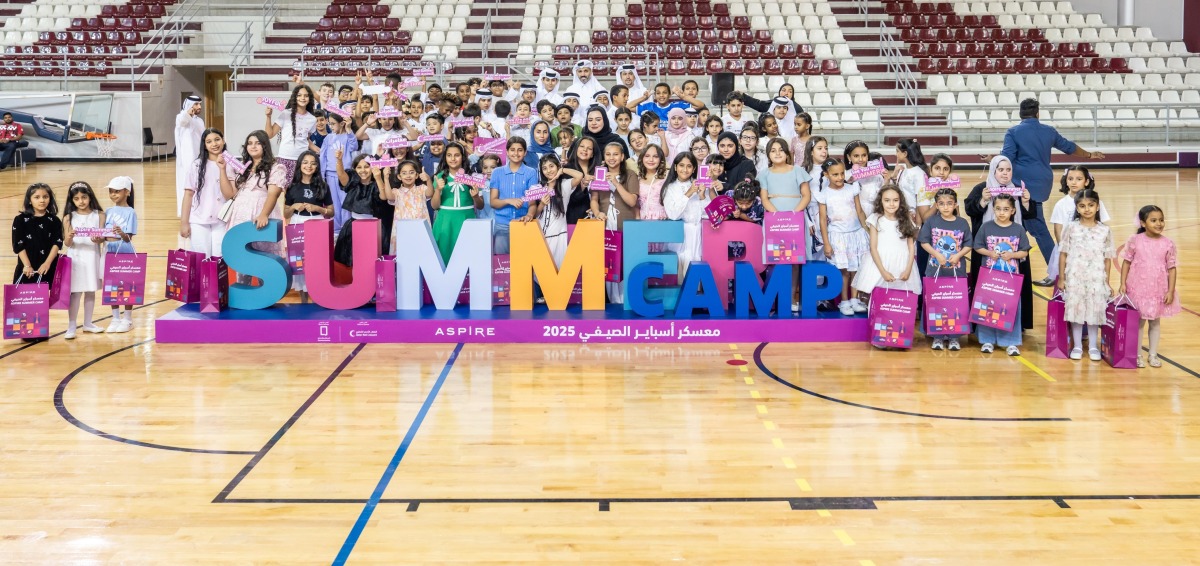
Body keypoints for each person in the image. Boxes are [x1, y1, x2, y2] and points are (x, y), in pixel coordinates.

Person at [997, 98, 1105, 284]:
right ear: (1037, 113)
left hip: (1020, 185)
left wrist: (994, 160)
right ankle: (1017, 268)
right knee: (1022, 226)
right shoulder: (1048, 131)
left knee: (1038, 230)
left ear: (1020, 114)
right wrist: (1089, 154)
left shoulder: (1013, 132)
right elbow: (1069, 147)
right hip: (1042, 183)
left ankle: (1055, 273)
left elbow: (1006, 158)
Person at [1057, 188, 1115, 362]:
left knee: (1094, 310)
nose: (1087, 209)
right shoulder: (1071, 228)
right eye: (1082, 206)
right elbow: (1063, 253)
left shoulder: (1104, 230)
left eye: (1091, 205)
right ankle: (1076, 346)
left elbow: (1107, 258)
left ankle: (1093, 347)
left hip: (1096, 276)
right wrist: (1062, 277)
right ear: (1077, 207)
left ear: (1098, 206)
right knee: (1076, 309)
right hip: (1075, 276)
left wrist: (1107, 281)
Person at [1119, 205, 1178, 369]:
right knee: (1138, 322)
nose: (1159, 223)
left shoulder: (1168, 244)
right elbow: (1126, 262)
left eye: (1161, 220)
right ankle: (1137, 355)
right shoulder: (1135, 240)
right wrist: (1123, 283)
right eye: (1153, 220)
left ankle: (1153, 354)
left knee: (1155, 322)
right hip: (1137, 288)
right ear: (1143, 223)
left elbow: (1172, 268)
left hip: (1157, 290)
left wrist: (1170, 290)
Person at [972, 193, 1031, 356]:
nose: (1002, 212)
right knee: (987, 307)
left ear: (1013, 210)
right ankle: (987, 340)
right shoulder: (986, 227)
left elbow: (1024, 251)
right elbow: (977, 247)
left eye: (1006, 209)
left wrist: (1012, 255)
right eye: (998, 209)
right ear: (993, 209)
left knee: (1010, 308)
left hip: (1010, 280)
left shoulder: (1018, 229)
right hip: (989, 279)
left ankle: (1010, 342)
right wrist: (989, 253)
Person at [759, 138, 812, 312]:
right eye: (773, 150)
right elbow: (764, 198)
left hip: (795, 220)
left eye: (781, 149)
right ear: (768, 155)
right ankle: (775, 299)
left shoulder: (798, 170)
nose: (777, 153)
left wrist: (793, 215)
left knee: (794, 260)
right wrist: (776, 216)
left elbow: (806, 196)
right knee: (775, 259)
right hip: (774, 221)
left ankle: (791, 298)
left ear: (787, 152)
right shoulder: (764, 174)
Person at [221, 131, 287, 271]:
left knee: (264, 258)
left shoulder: (275, 167)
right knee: (243, 260)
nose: (253, 146)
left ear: (265, 146)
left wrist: (264, 214)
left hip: (260, 216)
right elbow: (231, 194)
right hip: (241, 218)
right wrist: (222, 169)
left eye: (258, 143)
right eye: (250, 143)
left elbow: (273, 194)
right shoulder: (243, 167)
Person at [918, 188, 973, 351]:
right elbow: (923, 242)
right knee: (937, 302)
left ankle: (954, 336)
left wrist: (957, 256)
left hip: (956, 273)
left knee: (954, 303)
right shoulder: (931, 222)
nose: (946, 207)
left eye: (949, 203)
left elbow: (968, 244)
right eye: (941, 204)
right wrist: (937, 255)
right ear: (937, 205)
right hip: (935, 271)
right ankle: (937, 335)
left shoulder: (962, 223)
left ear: (955, 204)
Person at [814, 159, 868, 316]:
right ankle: (844, 301)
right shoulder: (824, 195)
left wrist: (866, 229)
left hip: (856, 234)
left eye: (842, 173)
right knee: (843, 270)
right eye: (835, 174)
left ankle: (854, 299)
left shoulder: (852, 189)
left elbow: (860, 211)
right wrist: (827, 243)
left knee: (856, 268)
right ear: (827, 175)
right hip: (837, 236)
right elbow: (823, 220)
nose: (839, 177)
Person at [11, 183, 62, 341]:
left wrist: (47, 263)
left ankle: (40, 329)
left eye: (45, 197)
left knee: (40, 298)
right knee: (26, 298)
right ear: (29, 200)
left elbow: (57, 242)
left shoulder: (54, 220)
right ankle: (25, 331)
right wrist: (27, 265)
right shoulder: (20, 220)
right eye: (37, 197)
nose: (42, 200)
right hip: (27, 266)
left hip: (46, 266)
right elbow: (18, 244)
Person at [853, 184, 921, 303]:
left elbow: (911, 246)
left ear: (901, 201)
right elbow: (873, 248)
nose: (891, 204)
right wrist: (883, 272)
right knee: (879, 302)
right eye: (887, 200)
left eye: (895, 200)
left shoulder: (906, 219)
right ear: (881, 202)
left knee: (900, 302)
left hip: (902, 264)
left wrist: (908, 270)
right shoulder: (875, 219)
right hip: (880, 264)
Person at [1045, 165, 1110, 284]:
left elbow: (1102, 226)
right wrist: (1065, 249)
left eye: (1078, 179)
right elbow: (1058, 230)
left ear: (1087, 181)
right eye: (1070, 179)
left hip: (1092, 249)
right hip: (1069, 249)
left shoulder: (1096, 202)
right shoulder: (1061, 204)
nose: (1074, 182)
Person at [283, 151, 334, 297]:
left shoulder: (323, 186)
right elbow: (286, 214)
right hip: (297, 224)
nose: (309, 166)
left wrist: (318, 208)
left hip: (317, 224)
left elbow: (331, 212)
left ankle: (319, 295)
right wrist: (293, 207)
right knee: (300, 264)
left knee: (318, 261)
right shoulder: (292, 186)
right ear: (299, 165)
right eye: (305, 162)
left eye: (313, 163)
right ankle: (304, 299)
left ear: (317, 166)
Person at [62, 182, 105, 339]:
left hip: (92, 256)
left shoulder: (99, 215)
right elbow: (66, 243)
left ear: (90, 197)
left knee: (90, 290)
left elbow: (101, 239)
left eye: (84, 197)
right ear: (72, 200)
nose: (81, 201)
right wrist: (69, 236)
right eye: (77, 198)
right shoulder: (69, 217)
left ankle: (88, 323)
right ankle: (71, 324)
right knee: (75, 293)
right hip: (76, 258)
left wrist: (98, 239)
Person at [181, 128, 230, 257]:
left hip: (222, 219)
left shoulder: (231, 164)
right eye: (209, 141)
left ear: (223, 141)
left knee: (220, 257)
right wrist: (184, 223)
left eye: (217, 139)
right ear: (204, 145)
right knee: (201, 257)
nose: (214, 144)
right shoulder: (196, 165)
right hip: (199, 220)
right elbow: (188, 194)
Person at [662, 152, 711, 279]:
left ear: (694, 168)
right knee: (681, 267)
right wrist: (688, 193)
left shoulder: (700, 184)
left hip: (700, 233)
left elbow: (708, 214)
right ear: (675, 167)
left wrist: (702, 195)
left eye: (689, 166)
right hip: (681, 234)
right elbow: (673, 214)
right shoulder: (670, 188)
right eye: (681, 165)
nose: (685, 169)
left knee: (699, 264)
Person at [432, 142, 483, 260]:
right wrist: (438, 190)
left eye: (457, 155)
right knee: (444, 254)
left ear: (463, 157)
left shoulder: (471, 177)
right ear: (445, 157)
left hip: (466, 219)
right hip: (445, 221)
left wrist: (475, 197)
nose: (453, 158)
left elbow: (480, 206)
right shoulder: (439, 177)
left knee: (466, 255)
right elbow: (435, 206)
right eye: (449, 155)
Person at [489, 137, 538, 254]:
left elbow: (533, 203)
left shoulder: (531, 172)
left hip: (523, 224)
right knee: (502, 265)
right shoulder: (497, 172)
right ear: (507, 152)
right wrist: (508, 200)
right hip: (502, 226)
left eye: (520, 150)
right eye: (512, 150)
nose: (516, 153)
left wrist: (529, 215)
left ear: (525, 152)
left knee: (523, 264)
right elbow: (493, 202)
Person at [102, 176, 137, 333]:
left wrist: (121, 233)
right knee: (112, 286)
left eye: (117, 191)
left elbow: (129, 238)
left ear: (127, 192)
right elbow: (102, 232)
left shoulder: (131, 212)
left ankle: (127, 319)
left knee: (127, 285)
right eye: (111, 192)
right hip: (109, 251)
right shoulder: (108, 211)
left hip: (124, 251)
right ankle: (115, 317)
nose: (113, 195)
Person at [265, 84, 320, 181]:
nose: (302, 98)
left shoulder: (312, 119)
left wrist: (319, 150)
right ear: (294, 97)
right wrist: (268, 117)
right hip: (285, 157)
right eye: (299, 95)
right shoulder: (286, 114)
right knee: (286, 189)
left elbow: (306, 139)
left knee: (300, 188)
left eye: (306, 95)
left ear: (309, 98)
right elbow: (269, 134)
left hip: (302, 160)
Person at [383, 159, 433, 255]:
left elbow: (430, 193)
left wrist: (428, 180)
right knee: (403, 255)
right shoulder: (396, 192)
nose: (408, 176)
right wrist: (385, 178)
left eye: (411, 172)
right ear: (399, 176)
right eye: (404, 173)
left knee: (421, 254)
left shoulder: (421, 189)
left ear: (417, 175)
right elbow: (389, 196)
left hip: (420, 230)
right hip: (403, 232)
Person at [174, 95, 205, 216]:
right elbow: (183, 121)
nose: (199, 107)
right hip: (186, 161)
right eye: (196, 104)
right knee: (186, 186)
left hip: (200, 158)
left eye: (200, 104)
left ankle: (198, 211)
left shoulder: (199, 121)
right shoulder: (181, 117)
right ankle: (186, 213)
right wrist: (188, 113)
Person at [802, 137, 830, 262]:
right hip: (811, 215)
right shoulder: (803, 171)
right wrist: (808, 222)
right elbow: (801, 198)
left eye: (826, 148)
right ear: (811, 151)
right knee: (814, 251)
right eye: (819, 148)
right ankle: (815, 280)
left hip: (829, 214)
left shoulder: (831, 169)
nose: (824, 151)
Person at [636, 144, 669, 221]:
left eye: (655, 156)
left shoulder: (667, 176)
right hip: (643, 218)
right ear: (642, 158)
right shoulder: (638, 178)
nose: (651, 160)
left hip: (663, 219)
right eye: (647, 156)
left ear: (661, 159)